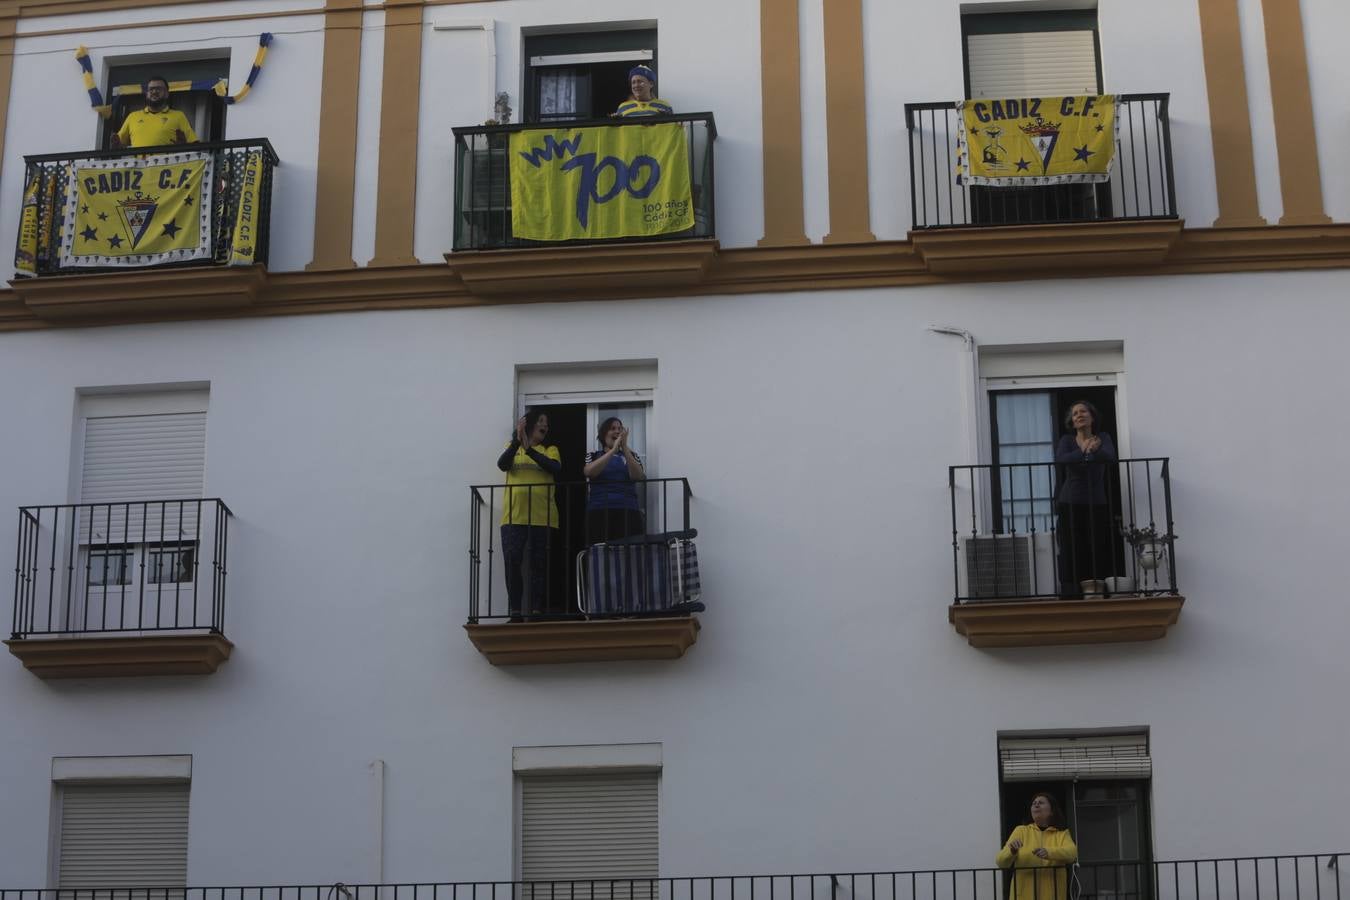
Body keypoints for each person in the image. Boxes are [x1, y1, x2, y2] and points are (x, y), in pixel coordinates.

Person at [496, 409, 561, 618]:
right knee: (512, 562)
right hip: (514, 517)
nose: (545, 426)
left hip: (543, 518)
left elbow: (554, 468)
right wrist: (518, 441)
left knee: (538, 565)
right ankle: (515, 610)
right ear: (530, 424)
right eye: (541, 421)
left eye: (547, 423)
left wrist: (530, 450)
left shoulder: (550, 449)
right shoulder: (512, 448)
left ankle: (536, 610)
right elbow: (502, 464)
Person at [1054, 400, 1117, 597]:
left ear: (1092, 417)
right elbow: (1061, 460)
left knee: (1096, 546)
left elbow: (1110, 457)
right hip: (1069, 502)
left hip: (1096, 502)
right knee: (1071, 547)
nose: (1079, 415)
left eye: (1083, 412)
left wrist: (1096, 449)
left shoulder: (1103, 438)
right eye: (1075, 414)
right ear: (1072, 422)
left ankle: (1095, 590)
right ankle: (1071, 591)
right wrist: (1082, 450)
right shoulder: (1067, 441)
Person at [996, 792, 1078, 900]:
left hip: (1053, 896)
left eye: (1041, 803)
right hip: (1023, 896)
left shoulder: (1061, 833)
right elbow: (1001, 862)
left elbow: (1072, 853)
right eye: (1034, 803)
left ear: (1052, 811)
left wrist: (1049, 852)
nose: (1036, 805)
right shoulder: (1021, 830)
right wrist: (1011, 851)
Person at [583, 416, 646, 543]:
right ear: (603, 434)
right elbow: (589, 472)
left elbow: (638, 476)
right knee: (601, 553)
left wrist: (625, 448)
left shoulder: (633, 456)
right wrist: (612, 451)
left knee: (628, 555)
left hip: (628, 510)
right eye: (612, 428)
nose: (617, 431)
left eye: (620, 429)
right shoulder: (593, 455)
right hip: (599, 511)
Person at [111, 76, 199, 149]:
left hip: (167, 168)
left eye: (159, 89)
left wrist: (183, 148)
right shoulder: (132, 116)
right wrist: (116, 143)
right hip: (140, 169)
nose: (154, 92)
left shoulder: (178, 116)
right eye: (151, 89)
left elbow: (194, 144)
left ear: (167, 94)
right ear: (146, 94)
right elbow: (119, 145)